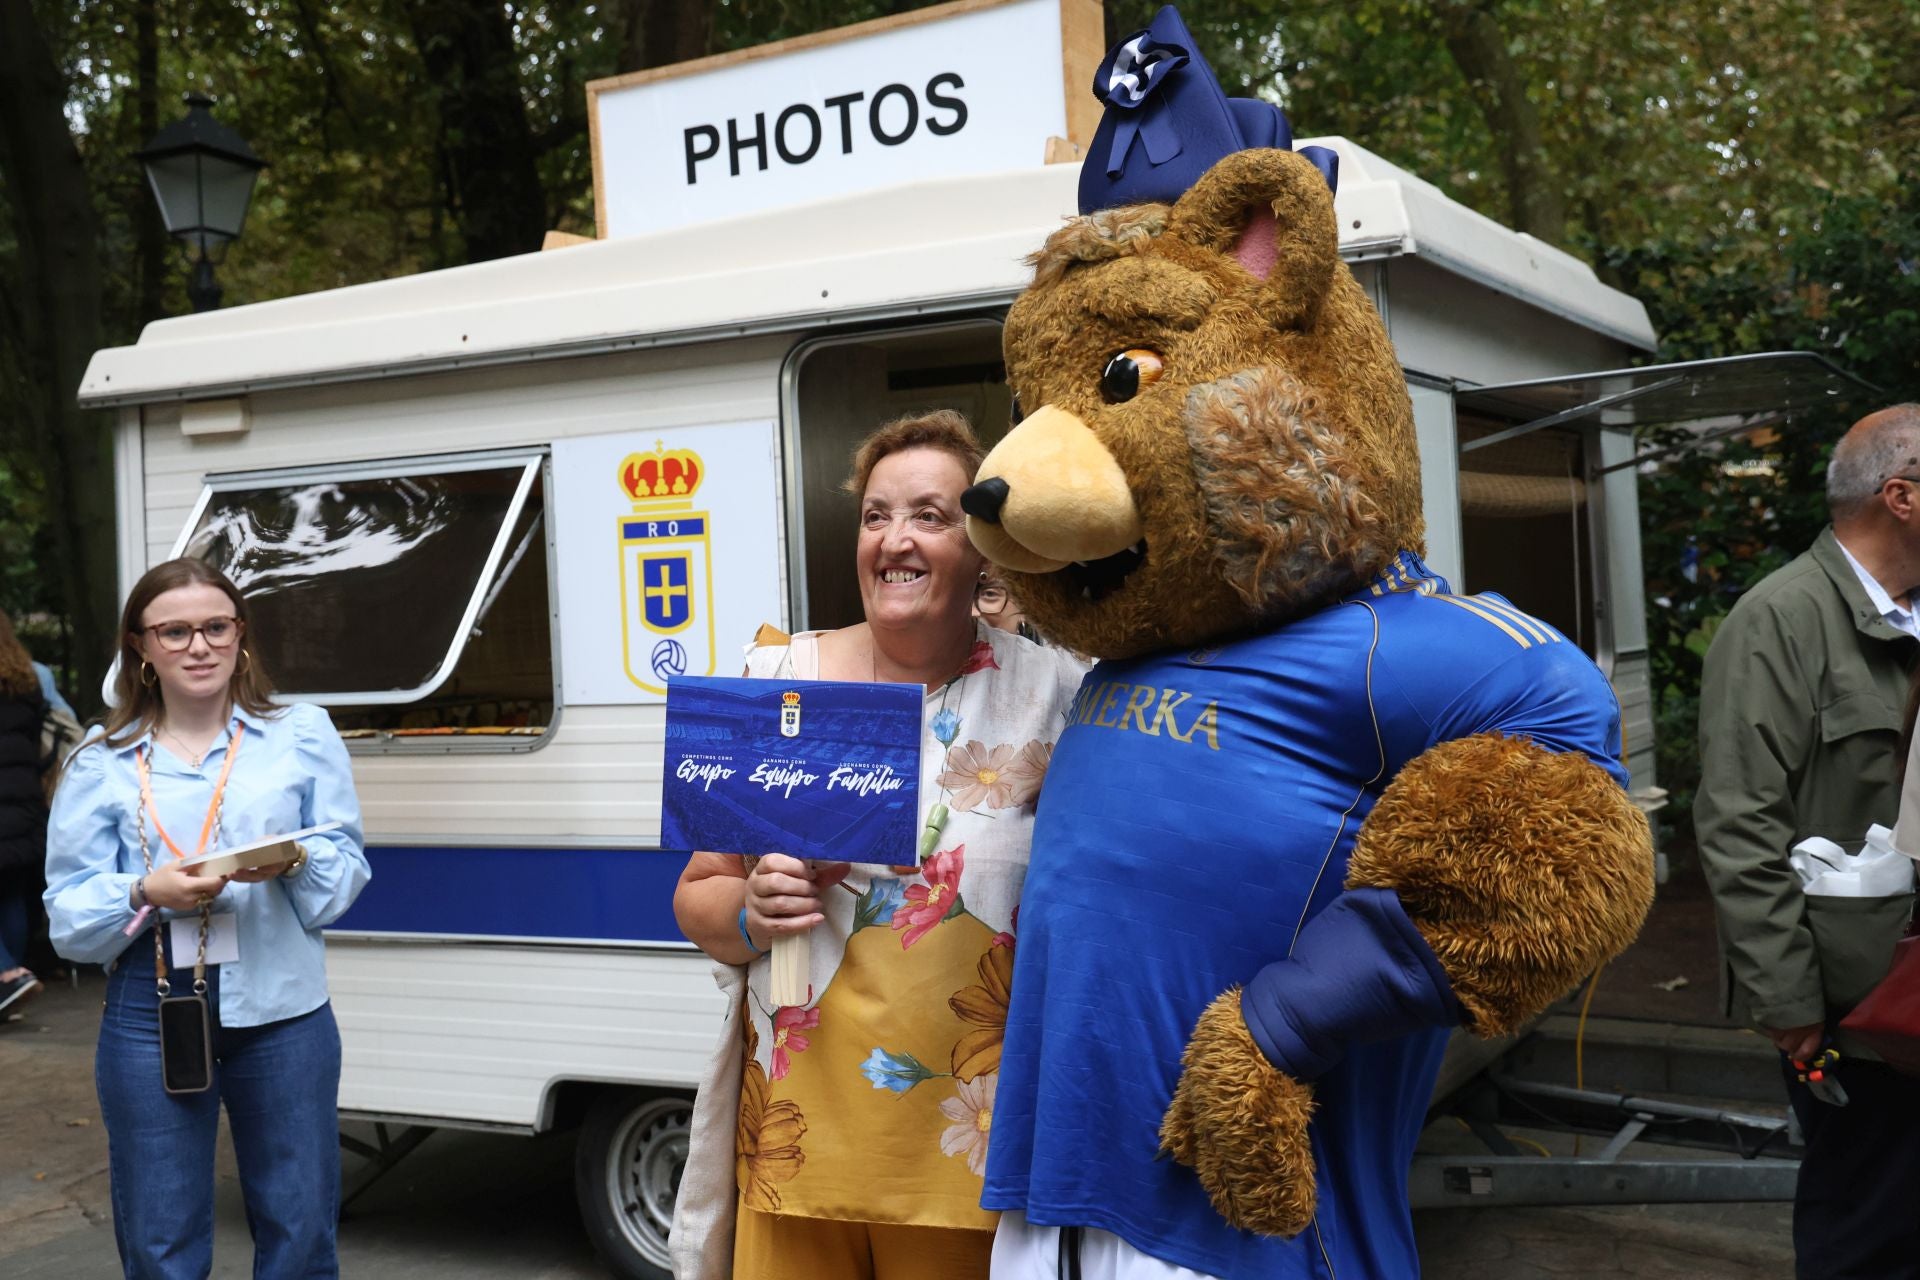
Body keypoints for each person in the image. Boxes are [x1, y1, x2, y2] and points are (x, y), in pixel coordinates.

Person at [669, 410, 1088, 1280]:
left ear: (981, 548)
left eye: (929, 516)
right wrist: (751, 914)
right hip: (795, 1146)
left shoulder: (1057, 695)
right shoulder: (772, 680)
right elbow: (698, 895)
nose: (895, 539)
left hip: (967, 1156)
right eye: (875, 515)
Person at [43, 557, 371, 1279]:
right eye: (176, 630)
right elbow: (66, 918)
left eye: (216, 626)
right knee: (161, 1239)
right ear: (142, 647)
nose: (199, 645)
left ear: (240, 636)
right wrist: (143, 892)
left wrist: (293, 862)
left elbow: (345, 870)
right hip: (150, 1006)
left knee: (300, 1228)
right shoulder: (101, 761)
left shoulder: (300, 733)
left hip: (284, 1005)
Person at [1697, 404, 1920, 1279]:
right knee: (1868, 1227)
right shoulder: (1780, 621)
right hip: (1859, 1013)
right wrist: (1790, 1005)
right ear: (1900, 496)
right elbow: (1738, 823)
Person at [0, 609, 51, 1018]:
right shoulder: (29, 678)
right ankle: (10, 992)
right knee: (11, 896)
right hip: (24, 804)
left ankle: (8, 975)